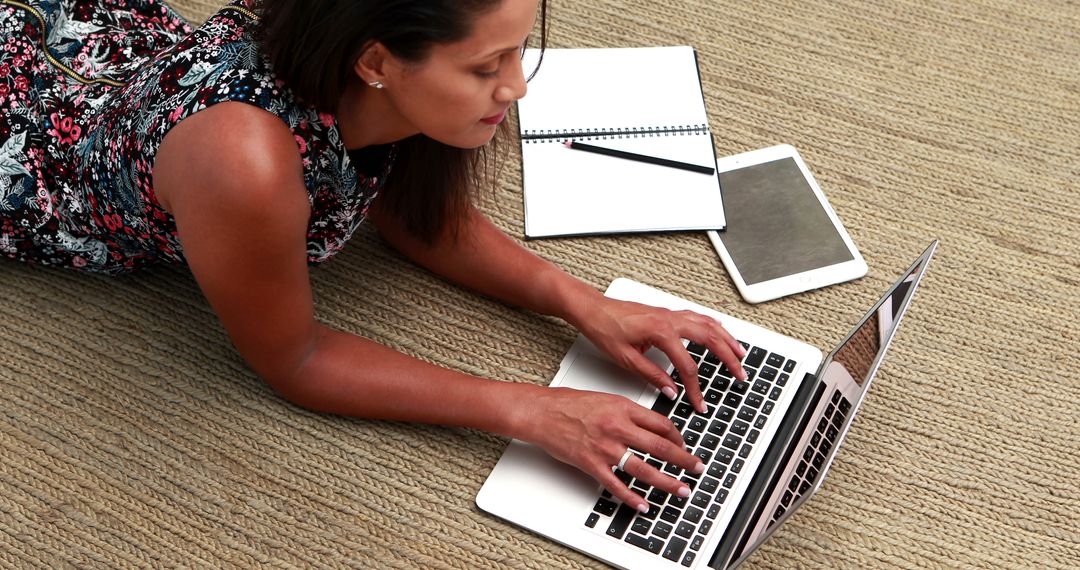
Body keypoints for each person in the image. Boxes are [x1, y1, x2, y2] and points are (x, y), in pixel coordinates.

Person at [0, 0, 748, 514]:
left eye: (518, 51)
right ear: (378, 63)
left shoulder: (356, 46)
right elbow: (295, 360)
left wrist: (584, 302)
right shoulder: (245, 165)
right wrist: (530, 407)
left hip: (102, 56)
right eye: (488, 66)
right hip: (33, 142)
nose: (516, 87)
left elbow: (415, 218)